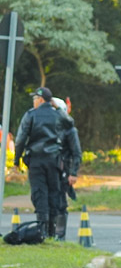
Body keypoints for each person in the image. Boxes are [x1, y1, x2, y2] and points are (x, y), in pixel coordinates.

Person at [13, 87, 73, 238]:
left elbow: (20, 139)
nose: (33, 102)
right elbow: (70, 123)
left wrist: (16, 160)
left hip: (36, 161)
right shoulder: (57, 115)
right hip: (54, 161)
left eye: (34, 99)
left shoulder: (31, 115)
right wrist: (58, 107)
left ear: (40, 100)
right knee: (53, 193)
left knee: (39, 193)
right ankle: (52, 232)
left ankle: (42, 230)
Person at [51, 97, 81, 241]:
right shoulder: (49, 128)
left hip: (64, 169)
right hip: (50, 168)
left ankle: (60, 235)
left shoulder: (70, 130)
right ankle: (48, 232)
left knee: (60, 202)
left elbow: (76, 152)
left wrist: (73, 173)